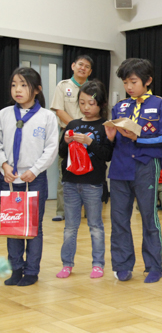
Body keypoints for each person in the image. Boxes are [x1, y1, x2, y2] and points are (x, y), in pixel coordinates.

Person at [105, 58, 162, 283]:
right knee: (119, 219)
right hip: (119, 168)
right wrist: (110, 137)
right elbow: (112, 141)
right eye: (125, 83)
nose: (129, 87)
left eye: (133, 81)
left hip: (145, 165)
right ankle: (122, 265)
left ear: (147, 81)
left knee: (148, 216)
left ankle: (154, 266)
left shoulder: (159, 103)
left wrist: (140, 137)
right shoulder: (120, 106)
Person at [0, 67, 58, 286]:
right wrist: (4, 165)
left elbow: (51, 148)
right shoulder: (4, 114)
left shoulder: (47, 117)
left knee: (34, 226)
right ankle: (16, 269)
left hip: (35, 179)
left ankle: (32, 271)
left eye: (24, 85)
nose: (18, 89)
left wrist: (34, 170)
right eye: (14, 84)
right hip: (8, 179)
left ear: (37, 90)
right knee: (12, 224)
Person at [56, 80, 113, 279]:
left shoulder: (105, 126)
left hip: (93, 183)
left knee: (95, 225)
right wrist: (65, 141)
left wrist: (89, 142)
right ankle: (67, 264)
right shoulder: (72, 124)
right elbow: (62, 154)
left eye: (91, 103)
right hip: (70, 182)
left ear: (101, 104)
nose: (86, 107)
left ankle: (98, 264)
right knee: (70, 227)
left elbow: (107, 155)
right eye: (82, 103)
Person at [50, 55, 93, 222]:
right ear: (73, 66)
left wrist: (86, 131)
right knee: (65, 172)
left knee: (91, 170)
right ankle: (62, 211)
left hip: (90, 134)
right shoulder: (63, 86)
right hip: (68, 134)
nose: (83, 68)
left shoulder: (94, 87)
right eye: (80, 64)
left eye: (87, 66)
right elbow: (59, 110)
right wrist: (76, 129)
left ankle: (90, 211)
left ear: (90, 71)